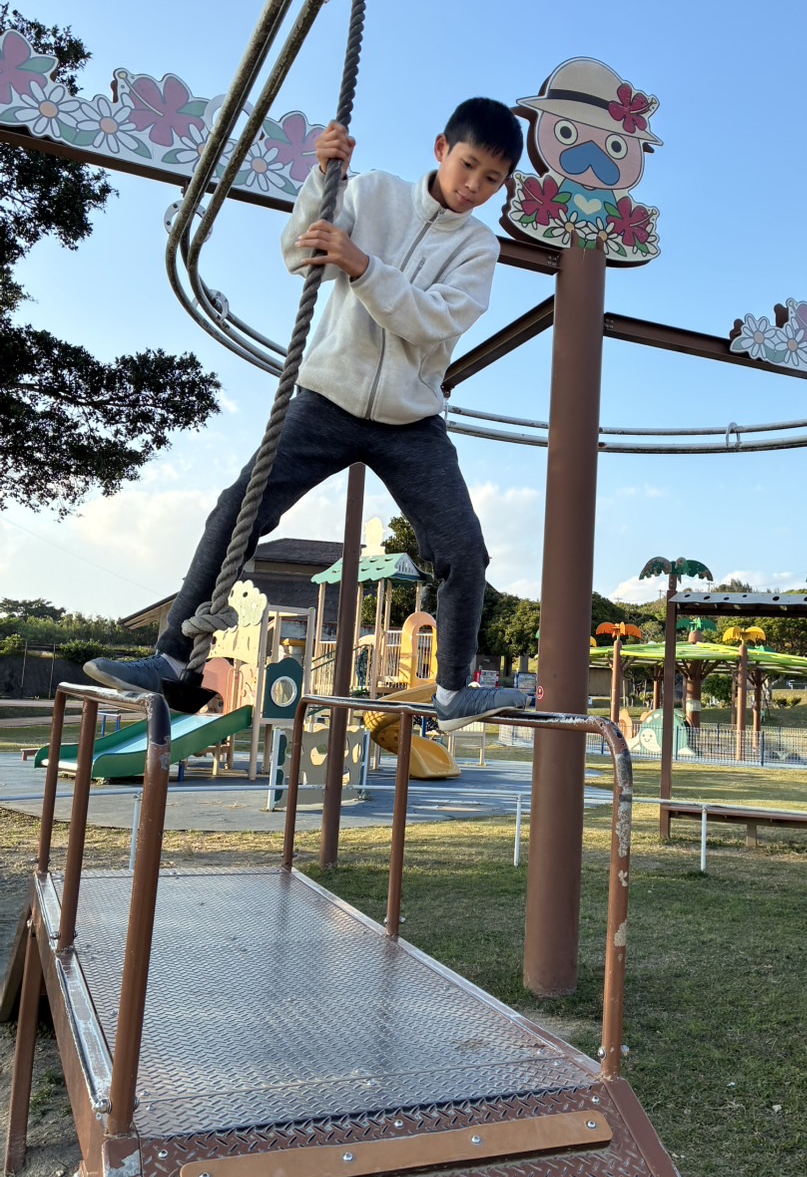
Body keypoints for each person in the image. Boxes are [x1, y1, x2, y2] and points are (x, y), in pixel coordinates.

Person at [86, 98, 529, 732]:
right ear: (441, 149)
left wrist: (362, 265)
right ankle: (173, 659)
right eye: (468, 166)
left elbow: (432, 321)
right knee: (237, 508)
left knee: (464, 548)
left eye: (492, 179)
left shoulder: (478, 246)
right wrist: (322, 177)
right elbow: (302, 254)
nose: (474, 187)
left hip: (411, 420)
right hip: (327, 397)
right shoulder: (372, 194)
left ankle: (454, 691)